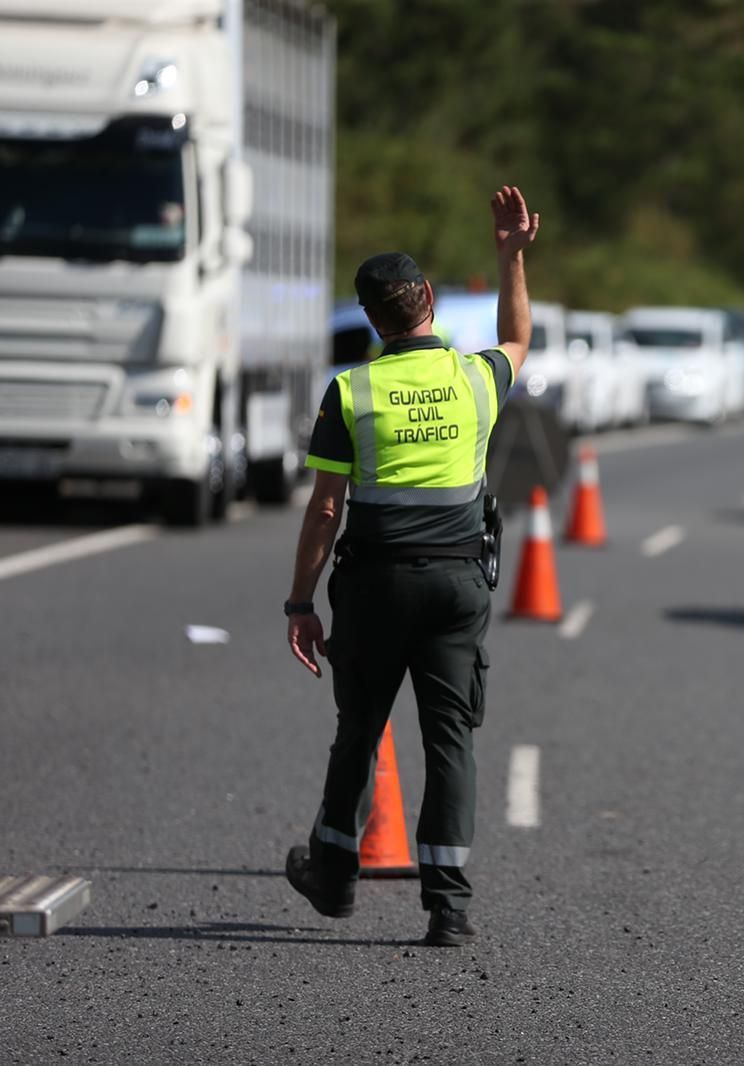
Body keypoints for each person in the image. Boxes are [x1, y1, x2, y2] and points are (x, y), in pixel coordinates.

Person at [281, 186, 539, 947]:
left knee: (358, 729)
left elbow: (326, 510)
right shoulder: (474, 377)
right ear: (426, 299)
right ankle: (448, 906)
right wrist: (511, 256)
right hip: (458, 584)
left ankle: (333, 878)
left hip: (374, 583)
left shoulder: (350, 391)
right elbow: (518, 337)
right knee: (449, 738)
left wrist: (300, 602)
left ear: (370, 317)